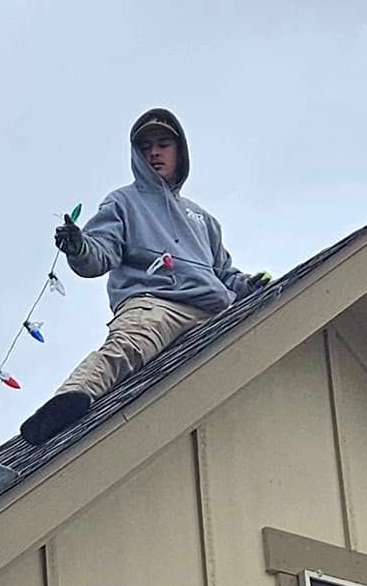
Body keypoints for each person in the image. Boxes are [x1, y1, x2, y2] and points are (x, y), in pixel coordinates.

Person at [18, 109, 271, 447]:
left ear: (179, 152)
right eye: (145, 146)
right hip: (155, 304)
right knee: (129, 347)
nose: (154, 152)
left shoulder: (204, 220)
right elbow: (99, 254)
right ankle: (71, 398)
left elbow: (224, 273)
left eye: (163, 144)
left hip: (212, 311)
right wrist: (78, 247)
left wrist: (249, 286)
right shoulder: (124, 202)